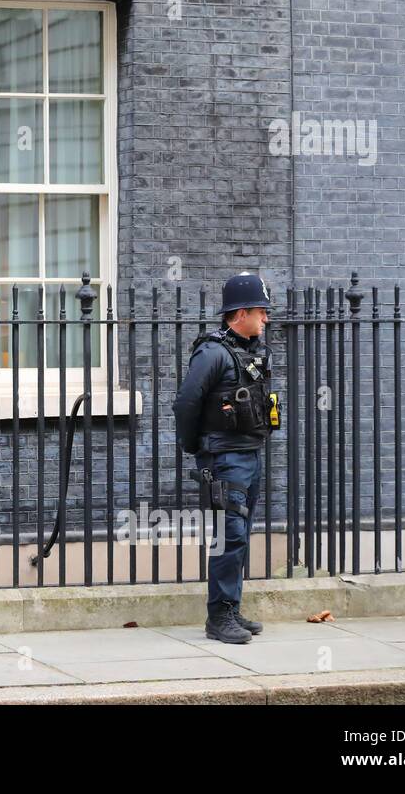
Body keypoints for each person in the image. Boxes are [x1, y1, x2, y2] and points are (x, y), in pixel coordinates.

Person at [171, 272, 276, 645]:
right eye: (261, 312)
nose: (266, 318)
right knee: (228, 537)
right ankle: (218, 618)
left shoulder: (250, 352)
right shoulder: (213, 352)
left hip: (249, 455)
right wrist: (193, 447)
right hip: (225, 459)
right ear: (241, 313)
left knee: (240, 537)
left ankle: (230, 607)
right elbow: (186, 402)